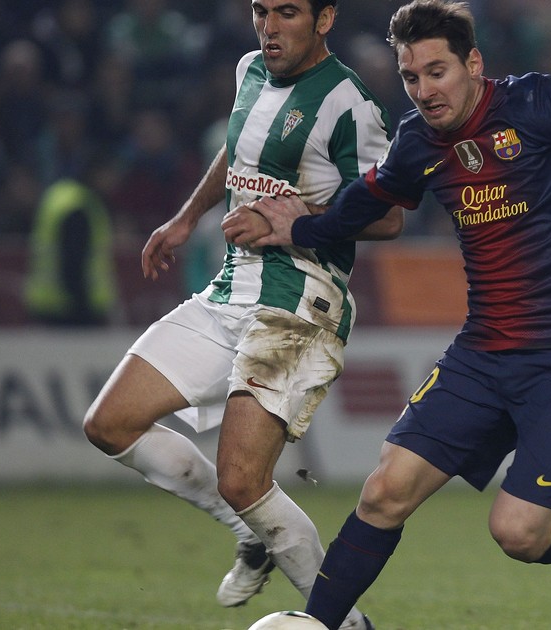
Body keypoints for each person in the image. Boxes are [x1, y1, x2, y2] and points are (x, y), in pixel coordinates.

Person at [220, 1, 551, 627]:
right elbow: (362, 205)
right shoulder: (416, 142)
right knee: (384, 492)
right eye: (411, 77)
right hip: (482, 352)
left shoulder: (537, 104)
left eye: (437, 72)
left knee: (518, 533)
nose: (424, 90)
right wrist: (298, 229)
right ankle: (320, 625)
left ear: (474, 63)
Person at [81, 2, 401, 628]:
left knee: (244, 480)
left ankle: (346, 623)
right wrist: (187, 217)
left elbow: (388, 217)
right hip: (229, 289)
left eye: (287, 12)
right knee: (109, 424)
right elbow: (238, 153)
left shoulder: (349, 104)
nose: (269, 26)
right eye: (260, 10)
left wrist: (294, 222)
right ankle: (249, 531)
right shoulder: (249, 68)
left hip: (300, 300)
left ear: (325, 19)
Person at [23, 153, 119, 327]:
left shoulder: (58, 195)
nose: (115, 181)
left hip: (46, 306)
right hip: (71, 313)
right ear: (97, 173)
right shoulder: (80, 207)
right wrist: (84, 311)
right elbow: (73, 263)